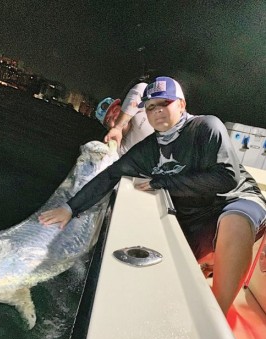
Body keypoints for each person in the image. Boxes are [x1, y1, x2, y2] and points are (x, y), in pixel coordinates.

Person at [39, 76, 266, 317]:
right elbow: (109, 176)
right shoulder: (147, 150)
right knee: (158, 267)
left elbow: (226, 178)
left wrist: (163, 181)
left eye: (164, 103)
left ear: (181, 104)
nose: (157, 111)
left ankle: (214, 318)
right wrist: (70, 208)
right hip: (196, 218)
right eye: (150, 107)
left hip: (237, 201)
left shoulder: (206, 127)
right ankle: (211, 261)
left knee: (234, 222)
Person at [104, 81, 154, 156]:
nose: (114, 116)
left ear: (123, 107)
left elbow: (142, 88)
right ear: (109, 129)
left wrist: (118, 127)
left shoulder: (142, 109)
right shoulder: (122, 149)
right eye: (108, 119)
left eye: (115, 110)